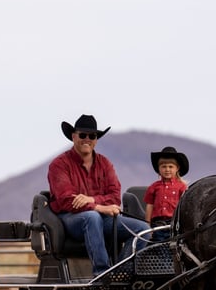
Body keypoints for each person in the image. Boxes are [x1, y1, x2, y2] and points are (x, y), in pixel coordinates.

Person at [47, 114, 148, 276]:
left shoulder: (104, 163)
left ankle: (121, 273)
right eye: (82, 135)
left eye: (92, 136)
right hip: (71, 219)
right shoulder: (59, 165)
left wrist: (92, 200)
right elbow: (67, 200)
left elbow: (115, 197)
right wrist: (99, 206)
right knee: (91, 217)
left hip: (103, 218)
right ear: (73, 137)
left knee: (142, 229)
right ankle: (102, 274)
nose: (87, 139)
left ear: (96, 140)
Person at [143, 146, 189, 243]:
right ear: (159, 169)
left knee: (172, 245)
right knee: (158, 245)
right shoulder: (154, 187)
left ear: (177, 168)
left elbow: (185, 207)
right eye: (163, 167)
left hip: (174, 224)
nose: (167, 169)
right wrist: (147, 225)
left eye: (170, 166)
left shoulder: (182, 187)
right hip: (157, 225)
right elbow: (149, 206)